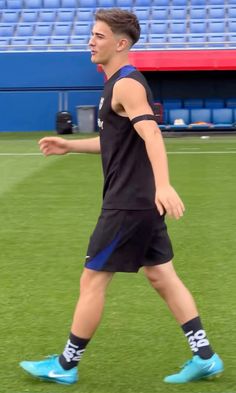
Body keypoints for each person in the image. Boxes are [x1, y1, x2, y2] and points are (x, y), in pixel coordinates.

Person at [20, 8, 223, 385]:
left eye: (98, 35)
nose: (90, 41)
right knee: (162, 276)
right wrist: (69, 145)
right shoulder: (115, 84)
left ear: (120, 43)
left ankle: (65, 365)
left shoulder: (127, 84)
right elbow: (115, 140)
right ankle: (205, 356)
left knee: (92, 280)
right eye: (91, 34)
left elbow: (152, 135)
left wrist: (163, 185)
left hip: (128, 204)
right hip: (138, 202)